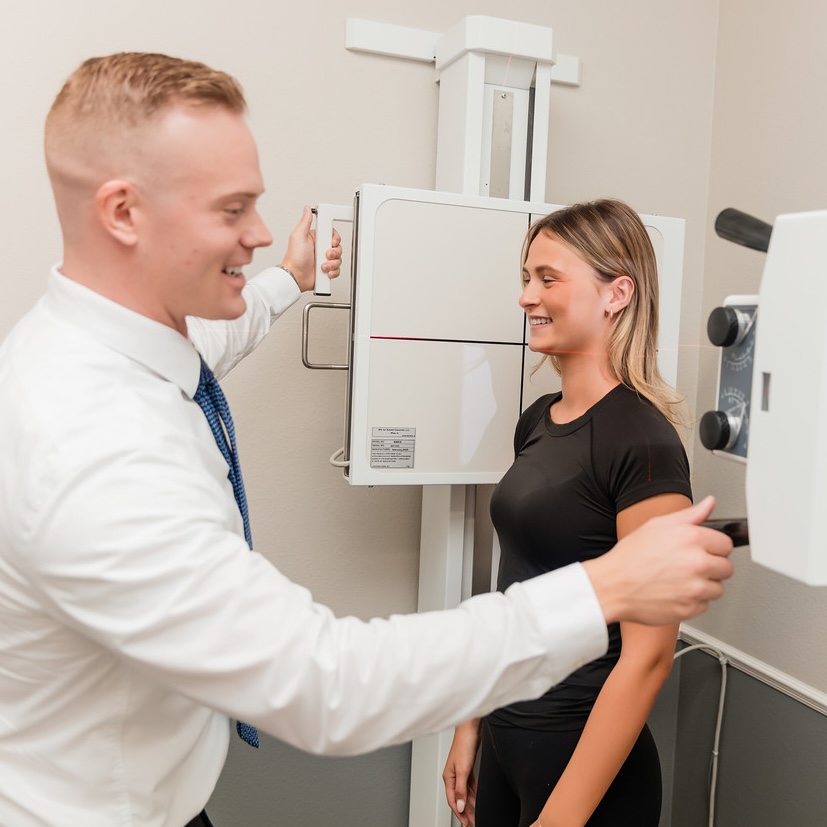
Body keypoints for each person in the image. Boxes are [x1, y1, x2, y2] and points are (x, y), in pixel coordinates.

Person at [0, 53, 734, 827]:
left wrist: (288, 278)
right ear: (123, 213)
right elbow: (328, 685)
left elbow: (203, 357)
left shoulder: (109, 358)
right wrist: (607, 586)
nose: (255, 231)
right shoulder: (91, 442)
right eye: (231, 208)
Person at [444, 200, 697, 827]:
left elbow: (650, 655)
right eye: (525, 278)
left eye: (548, 278)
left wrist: (564, 816)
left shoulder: (644, 445)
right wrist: (471, 719)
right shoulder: (537, 421)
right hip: (508, 737)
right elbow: (515, 589)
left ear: (617, 293)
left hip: (583, 763)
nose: (528, 296)